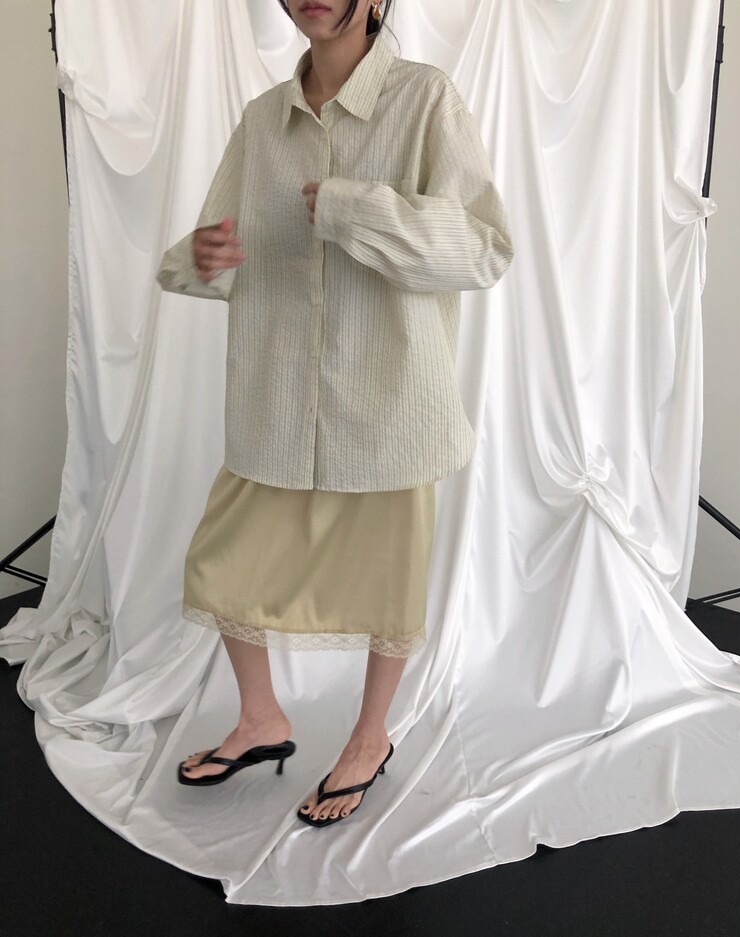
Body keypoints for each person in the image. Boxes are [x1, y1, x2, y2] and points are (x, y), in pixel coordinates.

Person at [156, 0, 513, 827]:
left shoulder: (425, 100)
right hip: (275, 397)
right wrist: (199, 257)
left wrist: (357, 210)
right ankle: (260, 718)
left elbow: (484, 246)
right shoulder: (262, 121)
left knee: (388, 585)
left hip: (389, 399)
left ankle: (369, 736)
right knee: (220, 565)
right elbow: (218, 244)